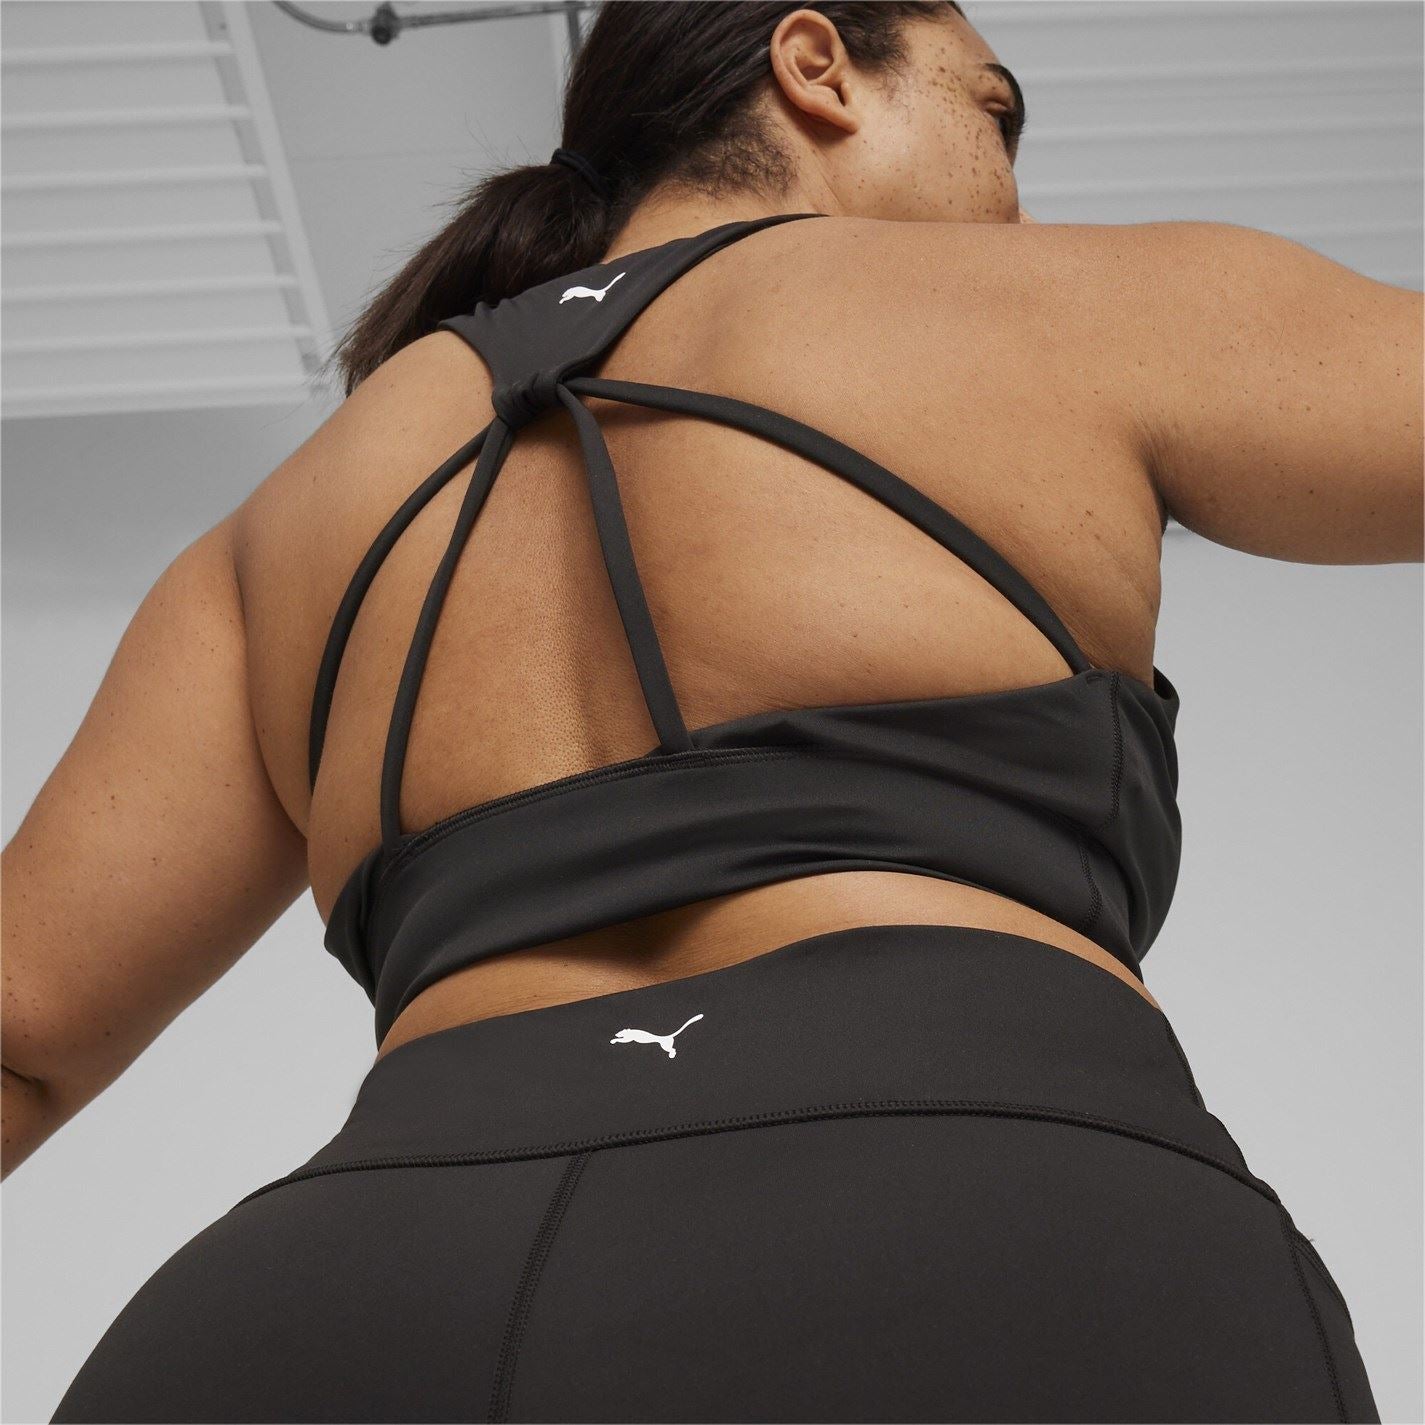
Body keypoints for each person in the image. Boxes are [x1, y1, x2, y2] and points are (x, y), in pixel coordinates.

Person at [5, 2, 1418, 1419]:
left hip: (329, 1310)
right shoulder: (1067, 303)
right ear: (817, 69)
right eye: (993, 116)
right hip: (993, 1234)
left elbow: (22, 1029)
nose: (1017, 201)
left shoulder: (297, 512)